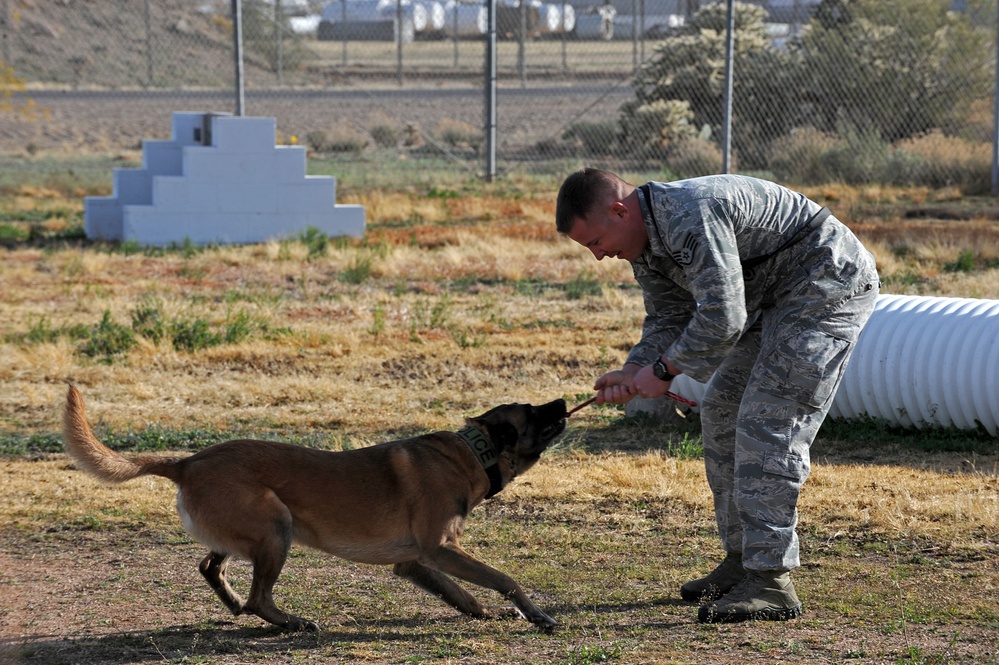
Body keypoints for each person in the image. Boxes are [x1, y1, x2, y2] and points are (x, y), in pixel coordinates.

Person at [555, 168, 879, 624]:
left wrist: (664, 370)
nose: (598, 256)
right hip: (766, 297)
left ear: (619, 210)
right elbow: (670, 313)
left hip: (822, 284)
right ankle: (743, 559)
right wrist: (634, 369)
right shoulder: (643, 244)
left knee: (768, 421)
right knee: (723, 411)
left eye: (595, 241)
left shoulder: (690, 213)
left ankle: (771, 581)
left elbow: (724, 316)